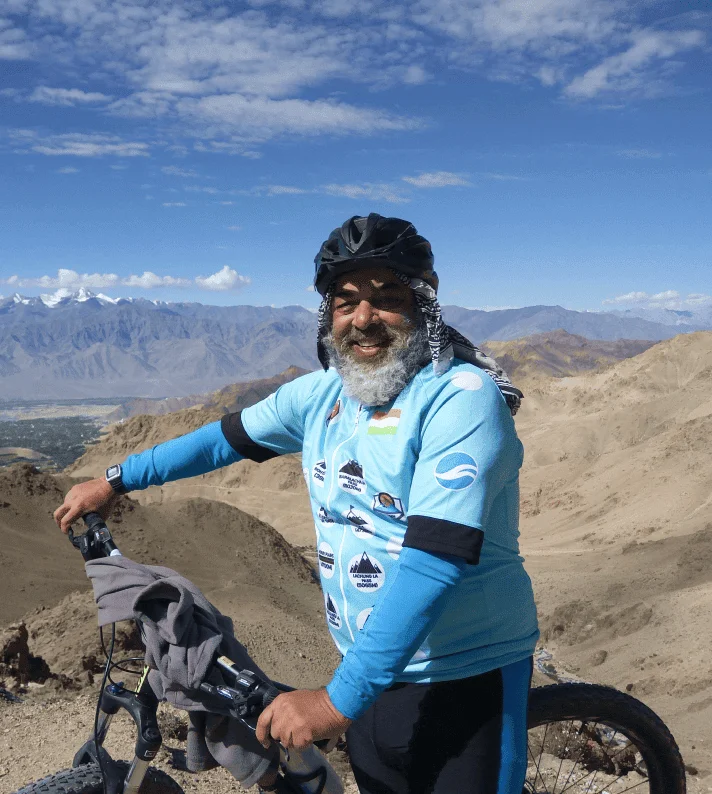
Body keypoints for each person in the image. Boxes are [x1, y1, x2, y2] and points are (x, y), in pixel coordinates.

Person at [55, 213, 539, 794]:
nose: (364, 318)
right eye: (346, 302)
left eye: (387, 297)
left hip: (467, 674)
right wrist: (116, 480)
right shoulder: (324, 395)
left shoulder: (461, 399)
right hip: (369, 671)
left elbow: (433, 563)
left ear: (423, 302)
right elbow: (221, 440)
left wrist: (336, 702)